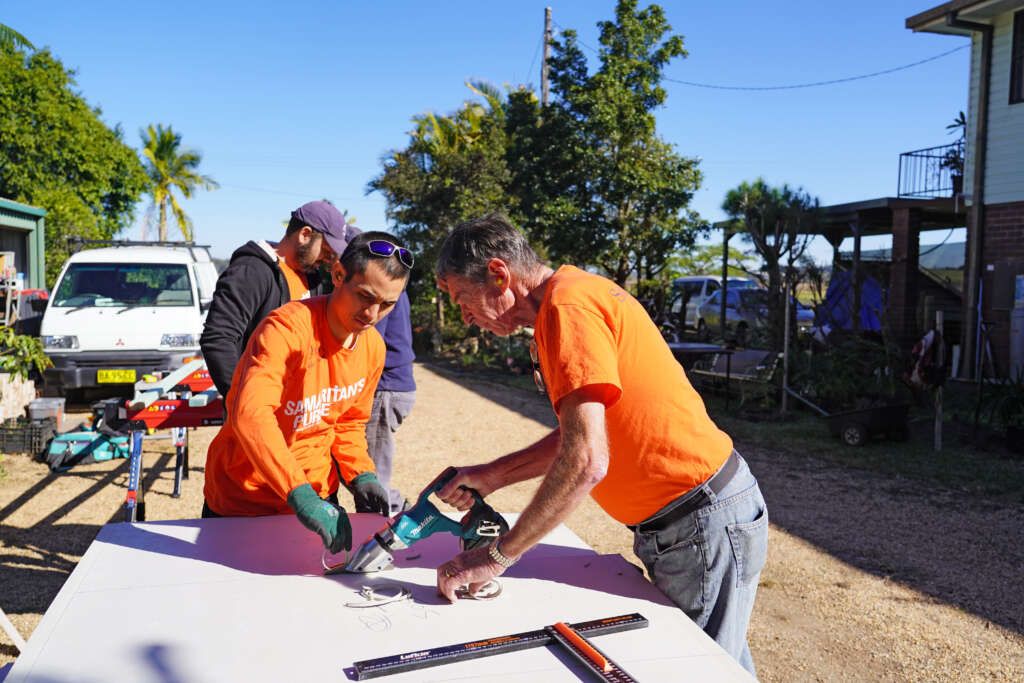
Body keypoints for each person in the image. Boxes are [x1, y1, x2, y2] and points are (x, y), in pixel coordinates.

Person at [429, 213, 768, 675]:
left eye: (463, 299)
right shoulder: (563, 305)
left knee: (698, 670)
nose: (466, 317)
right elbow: (586, 433)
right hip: (691, 522)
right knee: (720, 664)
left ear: (498, 273)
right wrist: (493, 476)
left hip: (698, 520)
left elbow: (587, 458)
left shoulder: (568, 310)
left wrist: (498, 555)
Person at [202, 231, 415, 556]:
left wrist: (361, 474)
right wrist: (299, 494)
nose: (372, 314)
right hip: (245, 501)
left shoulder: (372, 346)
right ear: (338, 275)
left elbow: (348, 423)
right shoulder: (285, 330)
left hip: (318, 500)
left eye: (387, 305)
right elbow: (250, 414)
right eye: (365, 296)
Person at [200, 200, 360, 399]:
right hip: (259, 407)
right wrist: (242, 401)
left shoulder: (312, 278)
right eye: (326, 251)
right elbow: (218, 338)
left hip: (297, 408)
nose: (328, 259)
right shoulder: (252, 270)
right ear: (304, 235)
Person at [365, 289, 416, 515]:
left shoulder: (384, 289)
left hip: (386, 388)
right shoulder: (397, 287)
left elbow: (371, 343)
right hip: (396, 386)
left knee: (373, 473)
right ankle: (396, 505)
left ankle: (378, 531)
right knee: (374, 463)